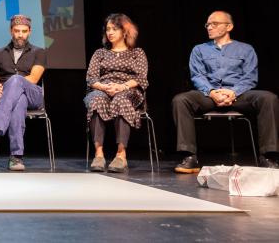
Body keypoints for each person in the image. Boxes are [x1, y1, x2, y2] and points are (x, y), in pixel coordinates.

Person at [173, 10, 279, 173]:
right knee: (181, 100)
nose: (209, 27)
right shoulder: (199, 50)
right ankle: (189, 157)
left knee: (269, 98)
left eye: (214, 24)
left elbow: (250, 77)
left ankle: (268, 156)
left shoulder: (246, 49)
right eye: (207, 24)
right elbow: (197, 76)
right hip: (208, 95)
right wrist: (212, 92)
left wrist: (233, 92)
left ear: (229, 26)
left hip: (239, 95)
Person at [0, 14, 46, 171]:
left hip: (34, 95)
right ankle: (16, 157)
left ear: (30, 32)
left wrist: (5, 87)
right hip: (13, 99)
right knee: (18, 104)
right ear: (11, 31)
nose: (20, 34)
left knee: (16, 80)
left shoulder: (39, 52)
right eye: (17, 31)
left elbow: (33, 78)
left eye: (24, 31)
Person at [84, 14, 149, 173]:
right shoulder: (100, 53)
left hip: (128, 90)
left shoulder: (137, 53)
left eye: (114, 29)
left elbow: (141, 78)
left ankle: (121, 154)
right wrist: (105, 87)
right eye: (108, 29)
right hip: (103, 88)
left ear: (125, 31)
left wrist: (122, 87)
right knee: (96, 100)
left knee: (121, 100)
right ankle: (99, 154)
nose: (110, 33)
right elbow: (91, 78)